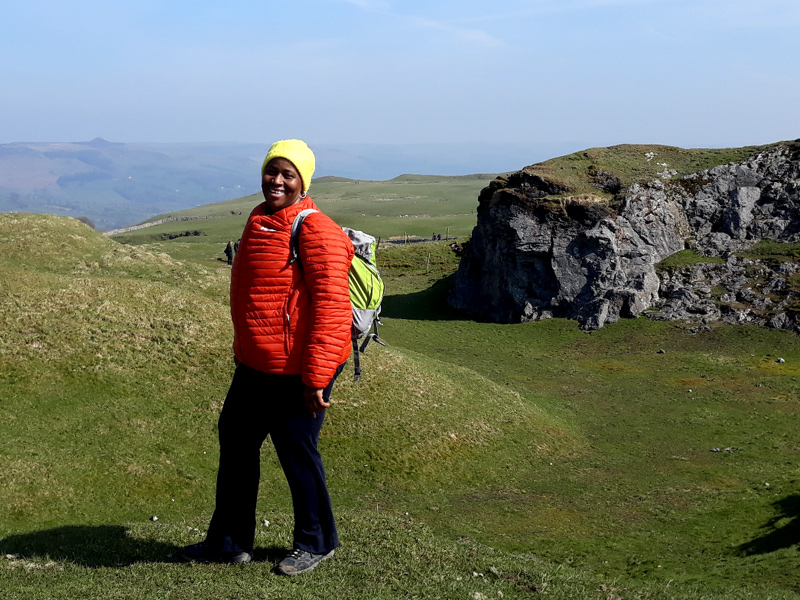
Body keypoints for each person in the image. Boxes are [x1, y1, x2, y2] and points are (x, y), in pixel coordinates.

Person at [183, 140, 355, 576]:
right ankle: (228, 543)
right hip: (256, 365)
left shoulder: (316, 230)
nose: (276, 181)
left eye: (288, 174)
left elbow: (332, 309)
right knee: (236, 442)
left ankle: (317, 542)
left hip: (299, 369)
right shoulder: (259, 219)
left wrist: (316, 377)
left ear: (303, 182)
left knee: (297, 450)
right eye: (271, 171)